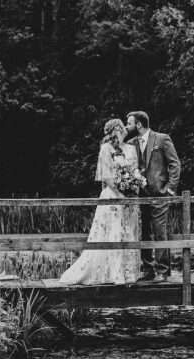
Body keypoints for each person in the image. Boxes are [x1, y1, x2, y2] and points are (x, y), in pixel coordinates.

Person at [59, 119, 141, 285]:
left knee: (128, 233)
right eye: (121, 126)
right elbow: (107, 176)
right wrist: (121, 193)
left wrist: (135, 186)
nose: (125, 128)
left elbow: (135, 171)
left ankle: (129, 273)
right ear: (116, 130)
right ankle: (113, 273)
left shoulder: (131, 148)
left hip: (130, 200)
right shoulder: (106, 149)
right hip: (113, 197)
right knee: (112, 233)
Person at [125, 111, 181, 282]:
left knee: (159, 231)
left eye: (129, 123)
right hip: (141, 195)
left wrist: (170, 189)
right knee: (144, 233)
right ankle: (148, 269)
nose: (128, 126)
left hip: (160, 194)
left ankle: (163, 271)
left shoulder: (162, 139)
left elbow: (175, 164)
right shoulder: (131, 143)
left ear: (139, 124)